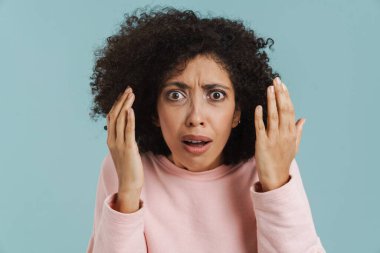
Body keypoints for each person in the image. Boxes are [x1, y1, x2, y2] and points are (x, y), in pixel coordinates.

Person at [86, 6, 326, 253]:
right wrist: (128, 192)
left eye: (216, 95)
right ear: (154, 111)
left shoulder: (268, 167)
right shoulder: (123, 167)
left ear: (237, 113)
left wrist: (275, 186)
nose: (196, 117)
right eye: (176, 95)